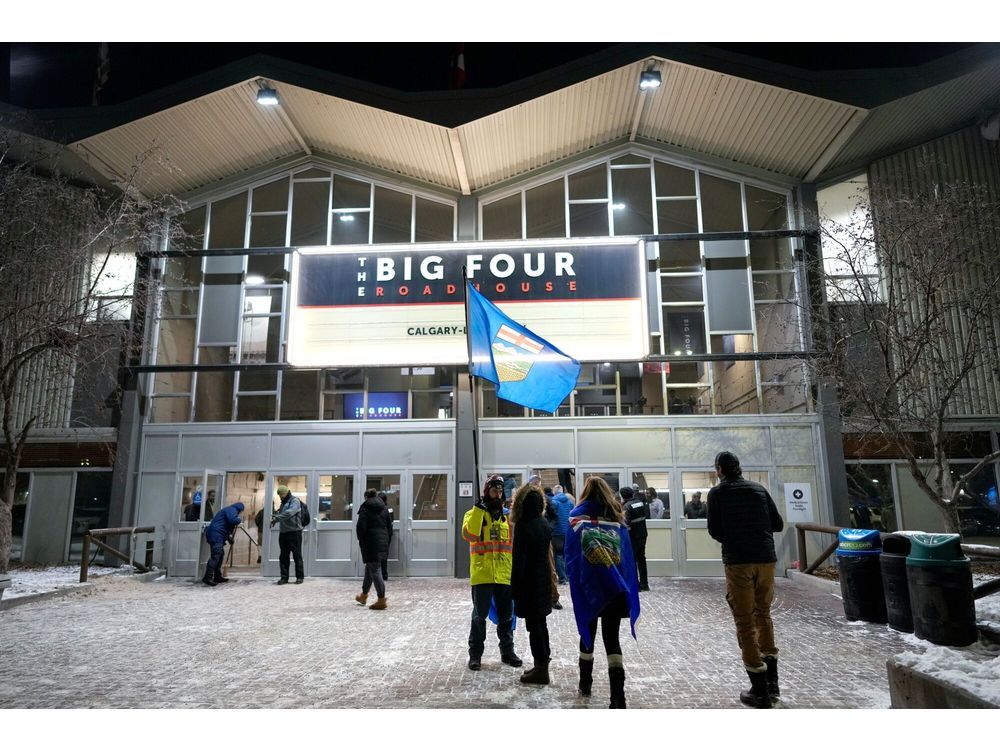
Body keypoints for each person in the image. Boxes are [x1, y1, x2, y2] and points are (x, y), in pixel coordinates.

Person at [707, 450, 784, 709]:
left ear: (720, 469)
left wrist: (735, 536)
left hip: (739, 560)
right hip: (766, 559)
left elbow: (715, 530)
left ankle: (759, 690)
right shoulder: (758, 489)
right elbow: (777, 523)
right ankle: (773, 684)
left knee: (744, 621)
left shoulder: (717, 493)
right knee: (764, 614)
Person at [565, 476, 640, 709]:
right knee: (612, 640)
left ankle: (585, 684)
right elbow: (628, 559)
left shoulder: (576, 520)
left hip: (590, 588)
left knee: (587, 636)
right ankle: (618, 696)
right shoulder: (618, 521)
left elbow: (571, 556)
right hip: (614, 589)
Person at [462, 475, 522, 671]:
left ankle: (507, 652)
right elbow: (469, 534)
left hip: (504, 574)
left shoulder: (507, 517)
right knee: (479, 617)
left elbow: (514, 545)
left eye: (500, 490)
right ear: (487, 492)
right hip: (483, 575)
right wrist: (480, 511)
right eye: (494, 490)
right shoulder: (473, 514)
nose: (498, 494)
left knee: (506, 617)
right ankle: (475, 655)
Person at [509, 484, 555, 685]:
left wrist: (514, 587)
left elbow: (519, 559)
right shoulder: (543, 523)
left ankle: (540, 670)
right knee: (541, 624)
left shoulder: (523, 525)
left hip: (528, 583)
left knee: (533, 627)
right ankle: (542, 664)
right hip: (542, 580)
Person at [355, 488, 390, 610]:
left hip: (370, 543)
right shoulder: (384, 509)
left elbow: (361, 528)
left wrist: (361, 539)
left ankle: (381, 599)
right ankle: (363, 596)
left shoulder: (365, 509)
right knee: (370, 569)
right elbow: (389, 527)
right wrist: (386, 541)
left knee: (375, 570)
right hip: (382, 543)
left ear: (366, 497)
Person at [202, 502, 244, 587]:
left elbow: (224, 526)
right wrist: (239, 519)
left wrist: (229, 539)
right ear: (240, 509)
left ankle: (217, 576)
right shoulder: (232, 510)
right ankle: (207, 577)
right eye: (241, 511)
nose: (240, 513)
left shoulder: (229, 510)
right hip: (216, 534)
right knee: (216, 555)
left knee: (220, 555)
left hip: (217, 534)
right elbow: (232, 520)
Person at [270, 485, 305, 584]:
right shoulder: (283, 503)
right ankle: (284, 578)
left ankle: (299, 577)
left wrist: (277, 518)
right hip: (284, 533)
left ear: (285, 493)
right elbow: (282, 515)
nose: (280, 497)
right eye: (279, 495)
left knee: (297, 555)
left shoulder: (294, 501)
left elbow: (290, 513)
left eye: (281, 494)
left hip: (295, 532)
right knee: (283, 556)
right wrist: (275, 519)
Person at [621, 486, 650, 592]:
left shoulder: (626, 507)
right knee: (641, 558)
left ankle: (636, 585)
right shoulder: (640, 502)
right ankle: (644, 584)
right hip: (643, 534)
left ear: (623, 496)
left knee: (632, 560)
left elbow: (626, 523)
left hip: (632, 536)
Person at [548, 484, 573, 585]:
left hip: (557, 532)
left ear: (554, 492)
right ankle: (567, 576)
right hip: (567, 531)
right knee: (566, 554)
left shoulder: (554, 502)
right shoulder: (570, 502)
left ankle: (562, 578)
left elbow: (552, 516)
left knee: (558, 555)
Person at [378, 491, 393, 581]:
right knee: (384, 555)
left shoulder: (377, 509)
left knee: (376, 555)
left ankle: (378, 575)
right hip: (387, 534)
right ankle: (384, 575)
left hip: (379, 534)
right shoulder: (389, 509)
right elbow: (391, 521)